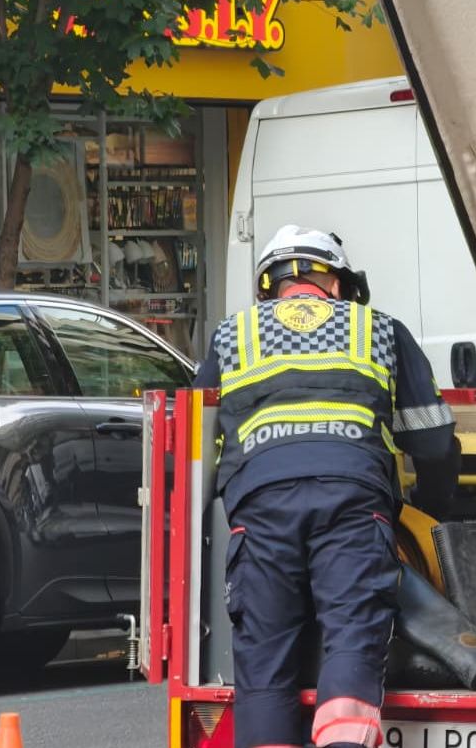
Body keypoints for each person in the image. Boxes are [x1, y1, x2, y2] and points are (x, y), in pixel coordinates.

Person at [193, 225, 459, 748]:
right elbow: (432, 443)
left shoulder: (233, 336)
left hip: (261, 512)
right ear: (337, 284)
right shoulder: (377, 329)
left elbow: (193, 442)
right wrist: (432, 508)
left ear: (268, 289)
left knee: (265, 667)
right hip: (353, 504)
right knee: (351, 642)